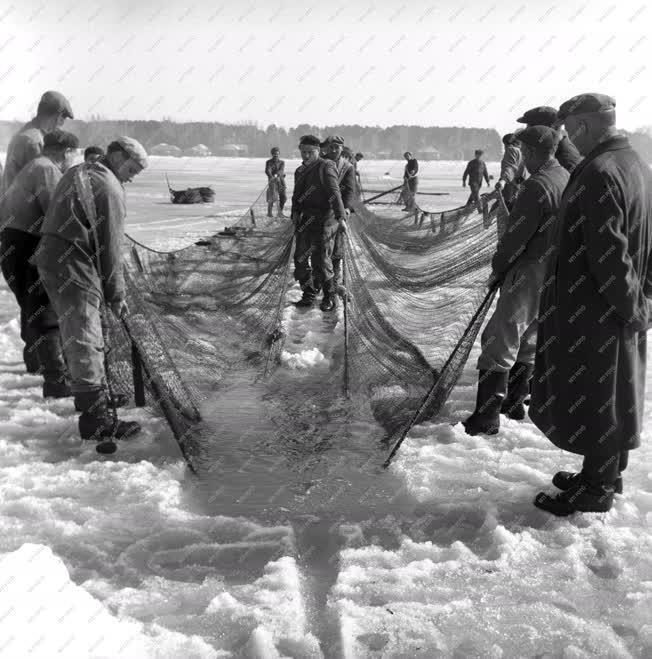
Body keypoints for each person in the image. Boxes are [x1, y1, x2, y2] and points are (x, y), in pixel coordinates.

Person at [530, 94, 652, 516]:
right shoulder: (635, 164)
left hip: (598, 311)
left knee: (598, 394)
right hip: (623, 305)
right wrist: (643, 302)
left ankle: (597, 489)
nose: (567, 138)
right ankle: (604, 473)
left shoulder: (599, 172)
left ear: (580, 127)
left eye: (568, 130)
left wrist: (632, 309)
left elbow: (610, 255)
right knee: (614, 394)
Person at [32, 137, 148, 445]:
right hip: (72, 263)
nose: (134, 175)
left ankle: (95, 402)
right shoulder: (109, 188)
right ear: (117, 155)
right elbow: (110, 248)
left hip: (53, 257)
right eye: (133, 167)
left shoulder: (80, 170)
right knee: (86, 338)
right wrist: (117, 294)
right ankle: (95, 420)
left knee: (80, 333)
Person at [463, 126, 569, 437]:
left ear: (532, 152)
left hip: (528, 269)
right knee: (530, 336)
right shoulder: (565, 176)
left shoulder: (537, 186)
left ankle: (486, 418)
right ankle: (513, 402)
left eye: (521, 151)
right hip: (553, 269)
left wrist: (498, 269)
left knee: (500, 338)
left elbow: (515, 238)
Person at [0, 130, 79, 394]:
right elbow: (57, 215)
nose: (73, 159)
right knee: (46, 308)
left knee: (31, 306)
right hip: (27, 245)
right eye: (73, 153)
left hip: (12, 244)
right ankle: (57, 379)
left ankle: (38, 364)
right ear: (66, 151)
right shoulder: (47, 170)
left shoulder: (33, 166)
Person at [291, 135, 346, 312]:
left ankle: (329, 296)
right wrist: (295, 212)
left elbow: (334, 193)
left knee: (321, 260)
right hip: (306, 219)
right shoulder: (299, 171)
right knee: (300, 258)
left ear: (319, 151)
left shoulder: (325, 166)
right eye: (303, 152)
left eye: (310, 152)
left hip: (326, 219)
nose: (306, 156)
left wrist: (341, 218)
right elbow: (296, 196)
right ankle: (308, 293)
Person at [2, 91, 74, 195]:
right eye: (63, 118)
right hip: (23, 209)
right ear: (57, 117)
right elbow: (45, 183)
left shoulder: (27, 133)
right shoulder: (34, 141)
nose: (61, 124)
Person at [325, 137, 356, 306]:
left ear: (341, 148)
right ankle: (326, 289)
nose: (334, 150)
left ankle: (333, 289)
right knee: (321, 253)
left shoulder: (347, 167)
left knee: (336, 253)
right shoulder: (322, 164)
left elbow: (350, 190)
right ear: (327, 148)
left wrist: (347, 209)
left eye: (337, 147)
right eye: (331, 147)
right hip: (321, 214)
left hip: (338, 214)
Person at [516, 105, 582, 173]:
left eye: (529, 127)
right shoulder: (554, 148)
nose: (526, 130)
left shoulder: (565, 160)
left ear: (543, 128)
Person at [265, 147, 286, 217]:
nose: (276, 155)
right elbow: (268, 170)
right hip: (272, 182)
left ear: (279, 154)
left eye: (277, 154)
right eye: (274, 154)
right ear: (272, 154)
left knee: (283, 197)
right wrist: (271, 176)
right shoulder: (269, 162)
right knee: (272, 198)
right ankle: (269, 213)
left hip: (281, 182)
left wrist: (278, 174)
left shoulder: (282, 162)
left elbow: (281, 170)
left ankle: (280, 212)